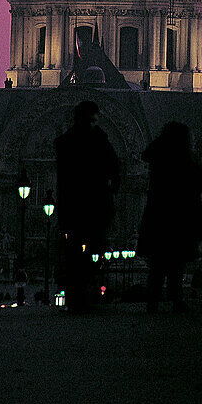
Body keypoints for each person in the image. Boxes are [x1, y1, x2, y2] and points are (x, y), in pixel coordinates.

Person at [55, 100, 120, 312]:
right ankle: (84, 294)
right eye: (92, 119)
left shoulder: (67, 141)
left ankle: (77, 296)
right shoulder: (99, 140)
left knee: (75, 251)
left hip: (74, 204)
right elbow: (115, 166)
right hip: (92, 204)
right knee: (90, 249)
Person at [137, 122, 202, 313]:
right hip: (179, 216)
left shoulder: (158, 155)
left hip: (158, 214)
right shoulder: (184, 157)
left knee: (157, 264)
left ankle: (152, 302)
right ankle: (176, 299)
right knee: (176, 262)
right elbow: (197, 179)